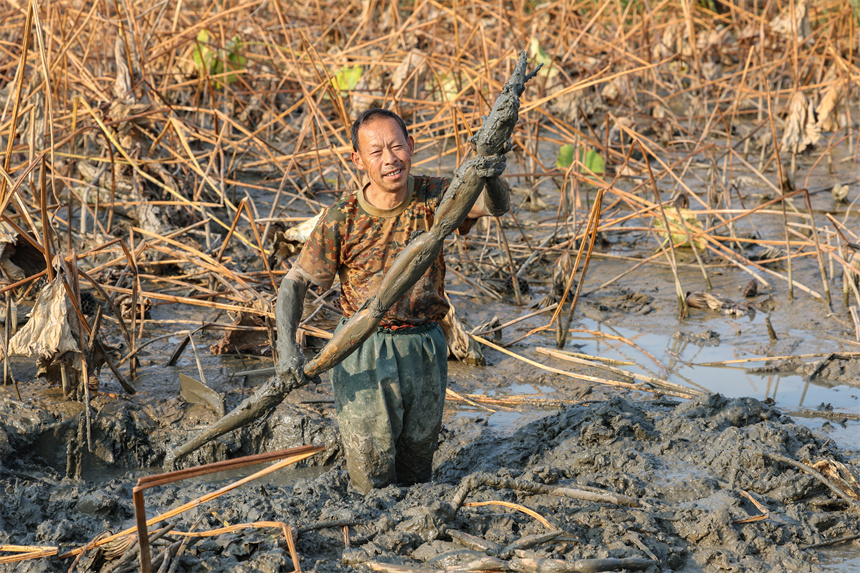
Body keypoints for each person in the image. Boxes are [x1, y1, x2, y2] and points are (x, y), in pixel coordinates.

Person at [274, 108, 510, 494]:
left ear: (411, 146)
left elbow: (495, 206)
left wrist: (491, 171)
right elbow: (295, 281)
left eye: (396, 146)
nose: (389, 160)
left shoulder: (435, 196)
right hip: (364, 349)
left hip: (426, 347)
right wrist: (287, 351)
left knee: (417, 471)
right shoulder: (342, 217)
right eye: (377, 151)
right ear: (358, 159)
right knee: (371, 475)